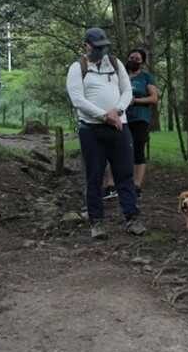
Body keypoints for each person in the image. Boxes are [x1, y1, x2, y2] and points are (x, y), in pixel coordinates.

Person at [66, 27, 146, 239]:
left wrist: (117, 111)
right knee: (94, 176)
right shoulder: (78, 67)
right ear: (87, 46)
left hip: (120, 126)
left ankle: (132, 218)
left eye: (104, 47)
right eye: (97, 48)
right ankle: (97, 223)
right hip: (92, 130)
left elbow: (127, 91)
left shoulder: (115, 63)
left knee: (125, 174)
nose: (101, 51)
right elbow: (78, 100)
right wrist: (104, 116)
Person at [125, 48, 159, 195]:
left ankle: (136, 185)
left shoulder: (146, 77)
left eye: (137, 59)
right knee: (121, 150)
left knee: (138, 149)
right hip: (121, 118)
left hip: (140, 118)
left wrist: (135, 101)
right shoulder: (121, 76)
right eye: (131, 57)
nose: (134, 60)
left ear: (142, 62)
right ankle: (115, 183)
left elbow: (154, 98)